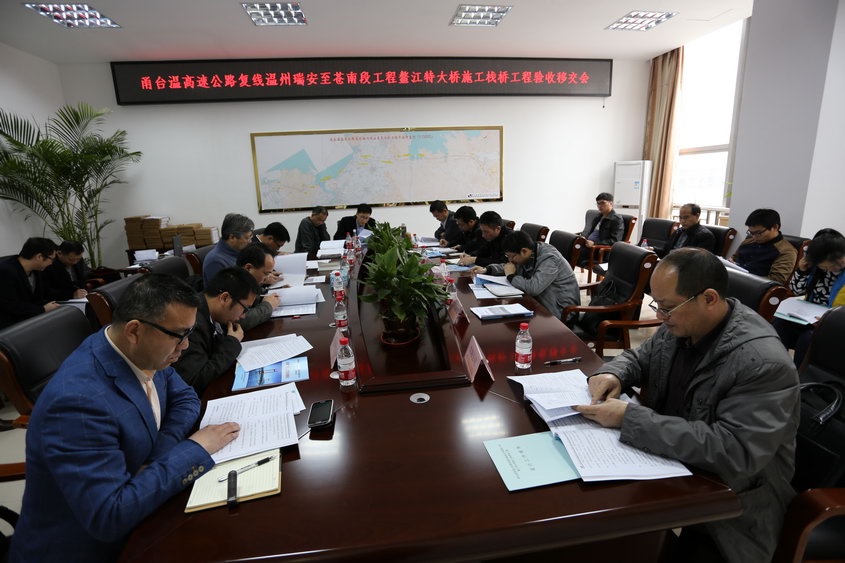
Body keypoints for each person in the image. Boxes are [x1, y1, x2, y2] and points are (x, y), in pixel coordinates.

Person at [574, 248, 799, 563]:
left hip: (733, 505)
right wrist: (613, 373)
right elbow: (639, 357)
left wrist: (630, 418)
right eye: (657, 305)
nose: (659, 317)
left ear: (709, 299)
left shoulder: (762, 363)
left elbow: (736, 451)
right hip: (673, 471)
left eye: (667, 308)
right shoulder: (682, 325)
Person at [8, 274, 240, 562]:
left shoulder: (142, 349)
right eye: (179, 335)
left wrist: (160, 455)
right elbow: (110, 516)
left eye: (189, 332)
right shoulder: (76, 403)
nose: (185, 346)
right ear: (134, 330)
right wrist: (196, 448)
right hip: (91, 550)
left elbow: (185, 398)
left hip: (146, 511)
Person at [172, 266, 260, 395]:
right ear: (225, 298)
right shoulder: (192, 323)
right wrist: (232, 343)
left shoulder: (210, 310)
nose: (243, 316)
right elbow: (195, 380)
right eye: (245, 308)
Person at [773, 229, 845, 368]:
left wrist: (829, 320)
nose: (832, 268)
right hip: (807, 317)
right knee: (779, 324)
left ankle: (800, 375)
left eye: (836, 264)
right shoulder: (816, 268)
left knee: (808, 338)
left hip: (833, 323)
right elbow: (796, 290)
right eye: (826, 266)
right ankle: (777, 367)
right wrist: (802, 271)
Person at [475, 230, 579, 320]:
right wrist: (488, 269)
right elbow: (510, 267)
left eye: (512, 256)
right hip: (539, 302)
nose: (510, 260)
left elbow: (534, 288)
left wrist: (511, 276)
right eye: (507, 256)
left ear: (524, 251)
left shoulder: (550, 259)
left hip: (559, 311)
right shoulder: (530, 251)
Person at [0, 237, 60, 329]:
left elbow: (37, 298)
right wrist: (42, 309)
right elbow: (10, 305)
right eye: (52, 259)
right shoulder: (5, 271)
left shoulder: (36, 270)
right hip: (9, 325)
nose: (51, 263)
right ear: (39, 257)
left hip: (28, 318)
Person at [731, 208, 797, 285]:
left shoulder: (786, 251)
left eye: (758, 233)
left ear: (775, 227)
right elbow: (733, 259)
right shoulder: (747, 242)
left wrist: (744, 278)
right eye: (751, 233)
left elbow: (776, 280)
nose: (754, 237)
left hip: (753, 287)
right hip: (734, 280)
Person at [236, 242, 282, 331]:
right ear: (248, 268)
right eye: (266, 273)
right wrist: (268, 305)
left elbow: (256, 294)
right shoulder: (233, 285)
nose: (268, 277)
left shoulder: (246, 281)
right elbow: (240, 321)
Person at [203, 213, 255, 286]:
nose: (250, 241)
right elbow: (225, 290)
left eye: (251, 237)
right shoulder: (215, 261)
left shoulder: (239, 251)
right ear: (232, 237)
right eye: (247, 238)